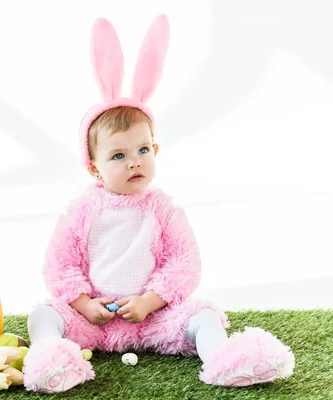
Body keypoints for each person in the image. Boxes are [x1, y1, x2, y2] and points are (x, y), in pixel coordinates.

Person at [22, 15, 295, 393]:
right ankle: (53, 362)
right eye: (117, 156)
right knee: (43, 314)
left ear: (155, 150)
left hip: (154, 317)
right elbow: (60, 265)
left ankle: (225, 359)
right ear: (93, 169)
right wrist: (84, 305)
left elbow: (183, 262)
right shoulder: (82, 212)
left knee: (203, 313)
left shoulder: (163, 210)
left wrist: (151, 301)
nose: (134, 161)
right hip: (96, 319)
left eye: (142, 149)